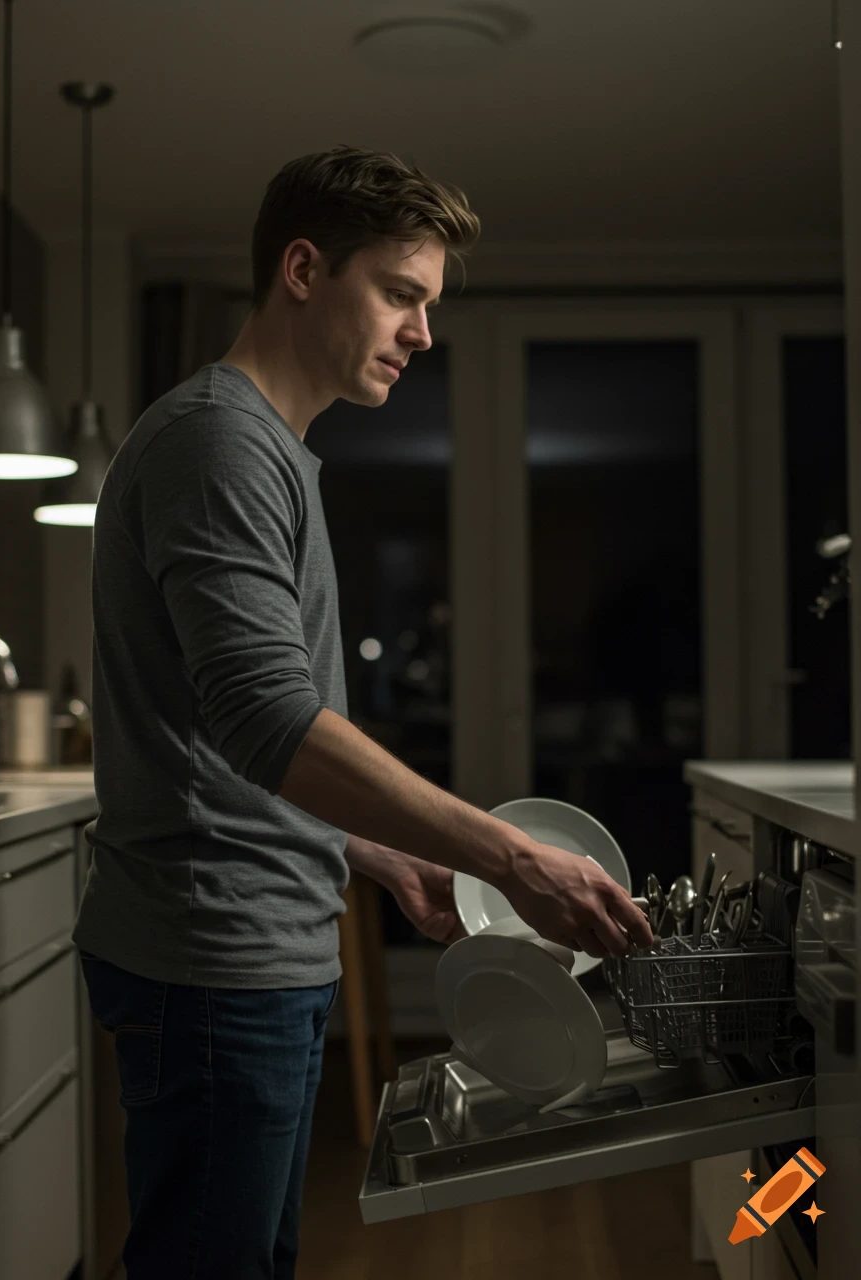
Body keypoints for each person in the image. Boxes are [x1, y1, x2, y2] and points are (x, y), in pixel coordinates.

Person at [72, 143, 653, 1280]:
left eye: (426, 304)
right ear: (302, 269)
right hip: (211, 953)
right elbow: (264, 718)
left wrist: (382, 851)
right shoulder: (217, 442)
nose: (422, 333)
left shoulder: (270, 452)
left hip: (248, 941)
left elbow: (222, 741)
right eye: (399, 293)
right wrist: (510, 856)